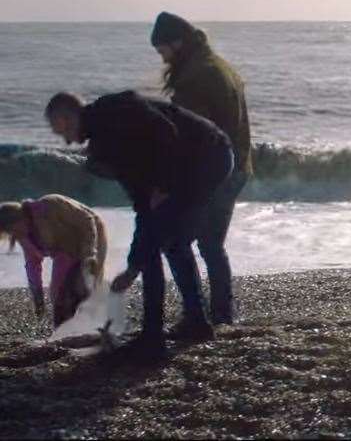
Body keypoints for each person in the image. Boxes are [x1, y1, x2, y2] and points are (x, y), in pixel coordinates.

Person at [45, 90, 234, 357]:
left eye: (59, 128)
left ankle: (153, 336)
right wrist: (133, 266)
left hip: (209, 154)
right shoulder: (105, 148)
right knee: (166, 240)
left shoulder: (114, 108)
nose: (64, 140)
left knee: (160, 240)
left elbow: (165, 130)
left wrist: (164, 185)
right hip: (195, 163)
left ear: (67, 117)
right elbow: (142, 211)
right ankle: (195, 322)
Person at [151, 11, 253, 325]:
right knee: (210, 244)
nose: (162, 57)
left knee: (176, 241)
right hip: (237, 166)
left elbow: (192, 137)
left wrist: (168, 183)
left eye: (162, 50)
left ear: (177, 43)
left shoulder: (197, 77)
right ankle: (221, 313)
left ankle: (197, 315)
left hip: (214, 173)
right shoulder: (220, 66)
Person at [0, 195, 107, 327]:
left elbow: (87, 220)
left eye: (12, 229)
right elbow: (32, 265)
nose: (14, 234)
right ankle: (63, 328)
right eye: (9, 233)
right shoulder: (24, 236)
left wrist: (89, 254)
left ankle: (95, 325)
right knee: (57, 291)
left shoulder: (51, 205)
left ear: (19, 218)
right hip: (64, 253)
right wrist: (38, 298)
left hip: (92, 235)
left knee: (84, 283)